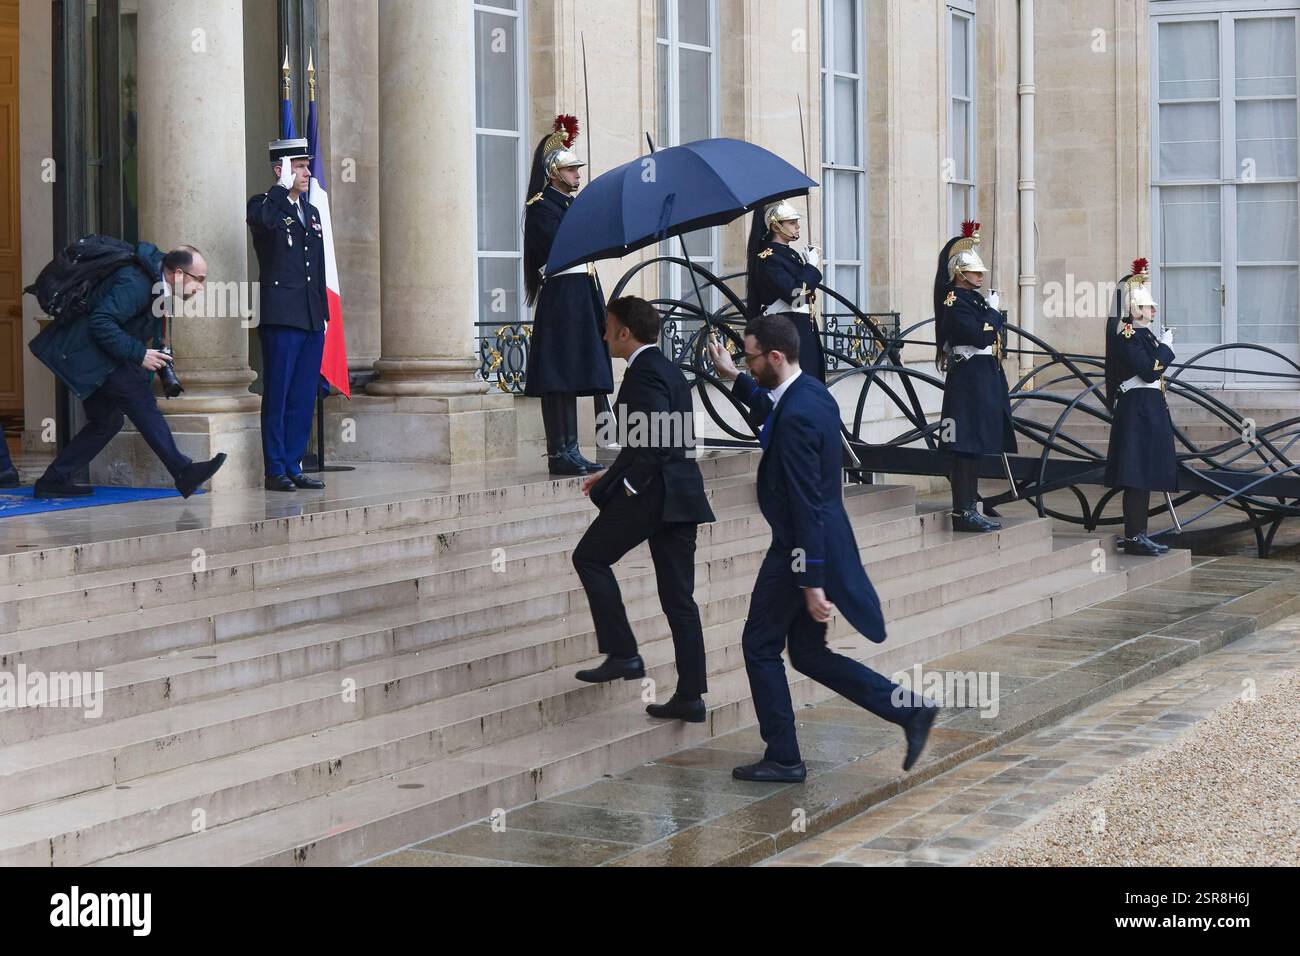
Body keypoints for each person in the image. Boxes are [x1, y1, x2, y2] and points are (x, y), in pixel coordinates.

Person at [706, 317, 937, 782]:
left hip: (798, 547)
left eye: (750, 358)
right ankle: (909, 710)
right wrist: (733, 377)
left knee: (759, 644)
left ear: (775, 356)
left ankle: (784, 757)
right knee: (809, 655)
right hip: (813, 541)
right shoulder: (810, 391)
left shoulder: (797, 417)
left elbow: (806, 503)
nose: (747, 364)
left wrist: (810, 580)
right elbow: (769, 408)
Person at [572, 297, 715, 721]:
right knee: (679, 600)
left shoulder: (644, 374)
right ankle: (690, 696)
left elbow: (658, 444)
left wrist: (629, 486)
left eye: (608, 326)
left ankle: (624, 653)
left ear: (624, 332)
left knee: (589, 557)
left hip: (656, 495)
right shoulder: (667, 368)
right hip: (680, 495)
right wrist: (611, 476)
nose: (603, 335)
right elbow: (651, 437)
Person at [28, 244, 226, 500]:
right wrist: (139, 354)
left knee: (107, 421)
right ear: (178, 273)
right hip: (91, 354)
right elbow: (101, 322)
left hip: (101, 355)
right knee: (141, 401)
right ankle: (183, 470)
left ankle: (54, 480)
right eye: (199, 279)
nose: (201, 287)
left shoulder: (156, 285)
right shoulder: (137, 283)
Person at [522, 114, 614, 476]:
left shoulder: (570, 206)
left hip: (582, 293)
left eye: (577, 169)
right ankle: (559, 451)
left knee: (574, 372)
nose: (577, 175)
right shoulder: (542, 207)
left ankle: (572, 448)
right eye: (572, 170)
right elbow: (559, 248)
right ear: (554, 173)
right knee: (558, 375)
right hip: (562, 295)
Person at [247, 137, 329, 493]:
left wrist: (323, 314)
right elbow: (261, 222)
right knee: (278, 394)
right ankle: (274, 468)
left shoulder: (310, 213)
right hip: (281, 316)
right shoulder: (265, 205)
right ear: (280, 170)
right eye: (299, 166)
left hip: (310, 316)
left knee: (302, 393)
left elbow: (319, 267)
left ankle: (294, 463)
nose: (307, 172)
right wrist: (278, 190)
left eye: (307, 166)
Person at [934, 220, 1017, 532]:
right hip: (968, 380)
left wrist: (990, 315)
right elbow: (981, 336)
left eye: (981, 272)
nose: (981, 277)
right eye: (975, 272)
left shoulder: (974, 300)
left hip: (983, 378)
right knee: (964, 447)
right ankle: (962, 511)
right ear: (960, 273)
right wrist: (994, 314)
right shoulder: (955, 301)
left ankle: (971, 507)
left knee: (976, 446)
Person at [1104, 258, 1177, 556]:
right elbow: (1148, 371)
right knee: (1135, 473)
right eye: (1148, 307)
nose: (1153, 310)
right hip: (1136, 409)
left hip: (1149, 407)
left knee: (1145, 470)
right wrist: (1166, 348)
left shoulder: (1145, 336)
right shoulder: (1127, 337)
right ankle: (1134, 536)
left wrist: (1160, 346)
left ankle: (1140, 533)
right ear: (1135, 310)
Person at [747, 200, 825, 383]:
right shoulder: (769, 258)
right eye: (791, 222)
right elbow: (796, 297)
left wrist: (806, 266)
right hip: (786, 332)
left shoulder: (789, 255)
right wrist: (810, 267)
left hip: (801, 331)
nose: (798, 227)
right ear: (775, 226)